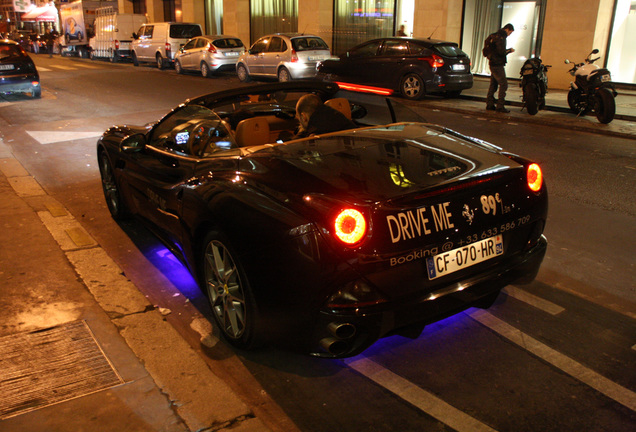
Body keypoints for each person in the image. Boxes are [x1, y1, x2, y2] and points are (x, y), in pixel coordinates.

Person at [485, 23, 515, 113]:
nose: (510, 34)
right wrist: (509, 50)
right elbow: (501, 52)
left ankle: (490, 104)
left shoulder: (493, 35)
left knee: (493, 84)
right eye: (510, 32)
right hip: (497, 64)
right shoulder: (501, 37)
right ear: (507, 29)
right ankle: (500, 105)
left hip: (492, 63)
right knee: (503, 84)